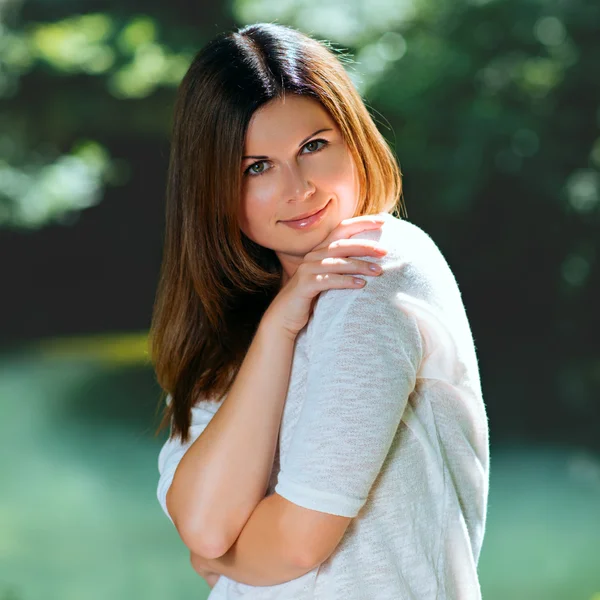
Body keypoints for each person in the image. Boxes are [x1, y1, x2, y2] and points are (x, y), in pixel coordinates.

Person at [150, 21, 489, 599]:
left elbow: (291, 543)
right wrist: (278, 330)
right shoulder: (240, 324)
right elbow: (205, 521)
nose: (298, 188)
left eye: (313, 146)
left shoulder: (375, 265)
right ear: (211, 189)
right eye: (255, 167)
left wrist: (224, 554)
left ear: (353, 139)